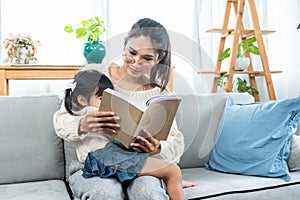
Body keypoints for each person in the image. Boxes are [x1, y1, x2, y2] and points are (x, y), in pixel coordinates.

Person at [54, 18, 196, 200]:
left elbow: (175, 142)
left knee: (149, 193)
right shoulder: (95, 77)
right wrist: (82, 124)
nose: (136, 62)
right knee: (106, 193)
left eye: (147, 58)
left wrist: (158, 147)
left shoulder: (160, 93)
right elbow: (60, 120)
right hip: (94, 165)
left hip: (137, 164)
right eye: (132, 53)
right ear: (124, 45)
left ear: (159, 58)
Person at [63, 69, 186, 200]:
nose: (106, 103)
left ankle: (172, 180)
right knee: (172, 170)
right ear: (82, 100)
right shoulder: (89, 113)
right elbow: (65, 123)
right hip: (109, 160)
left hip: (116, 159)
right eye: (101, 98)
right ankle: (173, 181)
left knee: (171, 171)